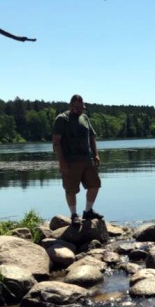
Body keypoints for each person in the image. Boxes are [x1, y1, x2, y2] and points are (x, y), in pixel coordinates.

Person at [52, 94, 103, 225]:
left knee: (95, 184)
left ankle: (88, 211)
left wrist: (96, 154)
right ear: (71, 106)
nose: (79, 110)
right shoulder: (62, 119)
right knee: (71, 189)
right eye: (76, 107)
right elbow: (56, 143)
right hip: (69, 161)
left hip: (87, 159)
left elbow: (92, 138)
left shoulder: (85, 118)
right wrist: (62, 162)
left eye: (81, 107)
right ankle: (74, 215)